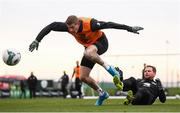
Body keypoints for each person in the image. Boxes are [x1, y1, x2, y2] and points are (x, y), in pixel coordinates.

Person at [29, 15, 143, 105]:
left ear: (78, 22)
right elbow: (51, 26)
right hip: (89, 49)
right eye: (69, 28)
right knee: (83, 77)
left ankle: (112, 70)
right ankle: (102, 93)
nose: (71, 30)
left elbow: (109, 24)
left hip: (101, 43)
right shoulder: (69, 27)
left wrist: (129, 28)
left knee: (88, 52)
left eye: (73, 27)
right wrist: (37, 40)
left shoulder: (91, 24)